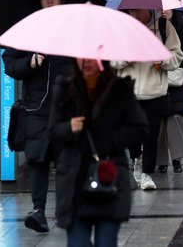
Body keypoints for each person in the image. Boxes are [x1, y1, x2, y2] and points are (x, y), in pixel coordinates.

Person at [49, 58, 149, 246]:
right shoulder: (64, 89)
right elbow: (53, 131)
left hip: (108, 179)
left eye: (92, 54)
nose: (86, 60)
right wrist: (69, 128)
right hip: (74, 181)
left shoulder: (119, 90)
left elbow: (141, 128)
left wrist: (110, 139)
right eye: (81, 54)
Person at [2, 0, 73, 232]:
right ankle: (38, 211)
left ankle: (64, 211)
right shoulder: (27, 27)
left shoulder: (74, 27)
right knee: (37, 160)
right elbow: (9, 63)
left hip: (68, 108)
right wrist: (29, 63)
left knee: (66, 160)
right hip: (36, 107)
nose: (50, 0)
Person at [111, 9, 183, 191]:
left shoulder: (163, 26)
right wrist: (126, 58)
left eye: (139, 10)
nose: (135, 14)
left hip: (154, 90)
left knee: (151, 133)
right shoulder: (122, 28)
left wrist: (162, 59)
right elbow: (111, 59)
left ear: (148, 8)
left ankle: (146, 174)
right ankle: (138, 157)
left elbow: (177, 55)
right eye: (131, 10)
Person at [156, 9, 183, 174]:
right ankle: (161, 161)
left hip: (177, 81)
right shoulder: (152, 29)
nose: (163, 11)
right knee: (159, 121)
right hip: (157, 79)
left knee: (176, 118)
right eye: (159, 7)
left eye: (167, 6)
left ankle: (177, 159)